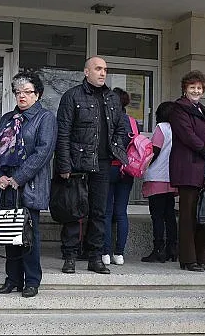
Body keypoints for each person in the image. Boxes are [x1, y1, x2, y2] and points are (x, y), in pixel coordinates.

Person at [55, 56, 128, 275]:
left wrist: (116, 147)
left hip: (103, 163)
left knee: (99, 212)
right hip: (77, 164)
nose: (102, 73)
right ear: (86, 72)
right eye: (98, 69)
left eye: (105, 69)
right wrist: (64, 165)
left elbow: (121, 128)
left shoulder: (112, 98)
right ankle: (69, 256)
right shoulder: (72, 96)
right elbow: (63, 133)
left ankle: (95, 257)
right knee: (72, 211)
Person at [0, 73, 55, 298]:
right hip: (5, 186)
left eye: (27, 92)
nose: (22, 96)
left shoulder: (45, 118)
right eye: (18, 92)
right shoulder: (7, 118)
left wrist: (18, 178)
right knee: (9, 234)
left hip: (29, 185)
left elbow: (42, 153)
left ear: (37, 95)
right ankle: (13, 279)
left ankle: (32, 280)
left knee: (29, 235)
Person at [168, 70, 205, 272]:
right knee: (188, 216)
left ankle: (201, 258)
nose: (196, 91)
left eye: (199, 88)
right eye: (192, 87)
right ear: (185, 89)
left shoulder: (203, 111)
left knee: (204, 214)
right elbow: (188, 136)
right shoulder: (179, 109)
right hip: (189, 169)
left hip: (204, 169)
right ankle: (188, 260)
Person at [140, 101, 179, 263]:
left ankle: (158, 249)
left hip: (156, 177)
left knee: (157, 216)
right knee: (170, 216)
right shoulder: (177, 130)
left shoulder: (161, 128)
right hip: (171, 177)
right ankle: (173, 248)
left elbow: (154, 151)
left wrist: (142, 166)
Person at [102, 87, 135, 265]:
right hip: (127, 170)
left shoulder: (108, 119)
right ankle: (119, 253)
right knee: (121, 212)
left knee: (106, 212)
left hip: (109, 168)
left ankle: (105, 253)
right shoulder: (133, 121)